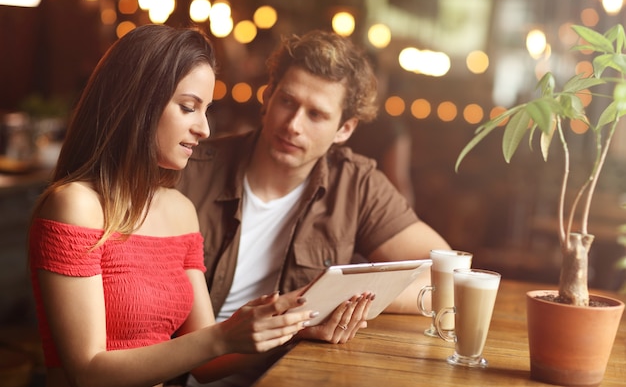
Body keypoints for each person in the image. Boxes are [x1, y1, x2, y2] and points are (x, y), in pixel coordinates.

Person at [27, 24, 317, 387]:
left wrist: (294, 325)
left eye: (207, 110)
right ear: (137, 101)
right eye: (188, 107)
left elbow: (205, 363)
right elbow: (87, 372)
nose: (205, 128)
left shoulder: (180, 210)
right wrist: (222, 336)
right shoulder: (75, 206)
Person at [177, 29, 451, 387]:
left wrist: (334, 299)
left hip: (289, 374)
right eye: (287, 102)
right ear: (268, 96)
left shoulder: (357, 185)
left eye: (316, 115)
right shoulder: (191, 171)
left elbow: (447, 277)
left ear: (345, 128)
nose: (293, 125)